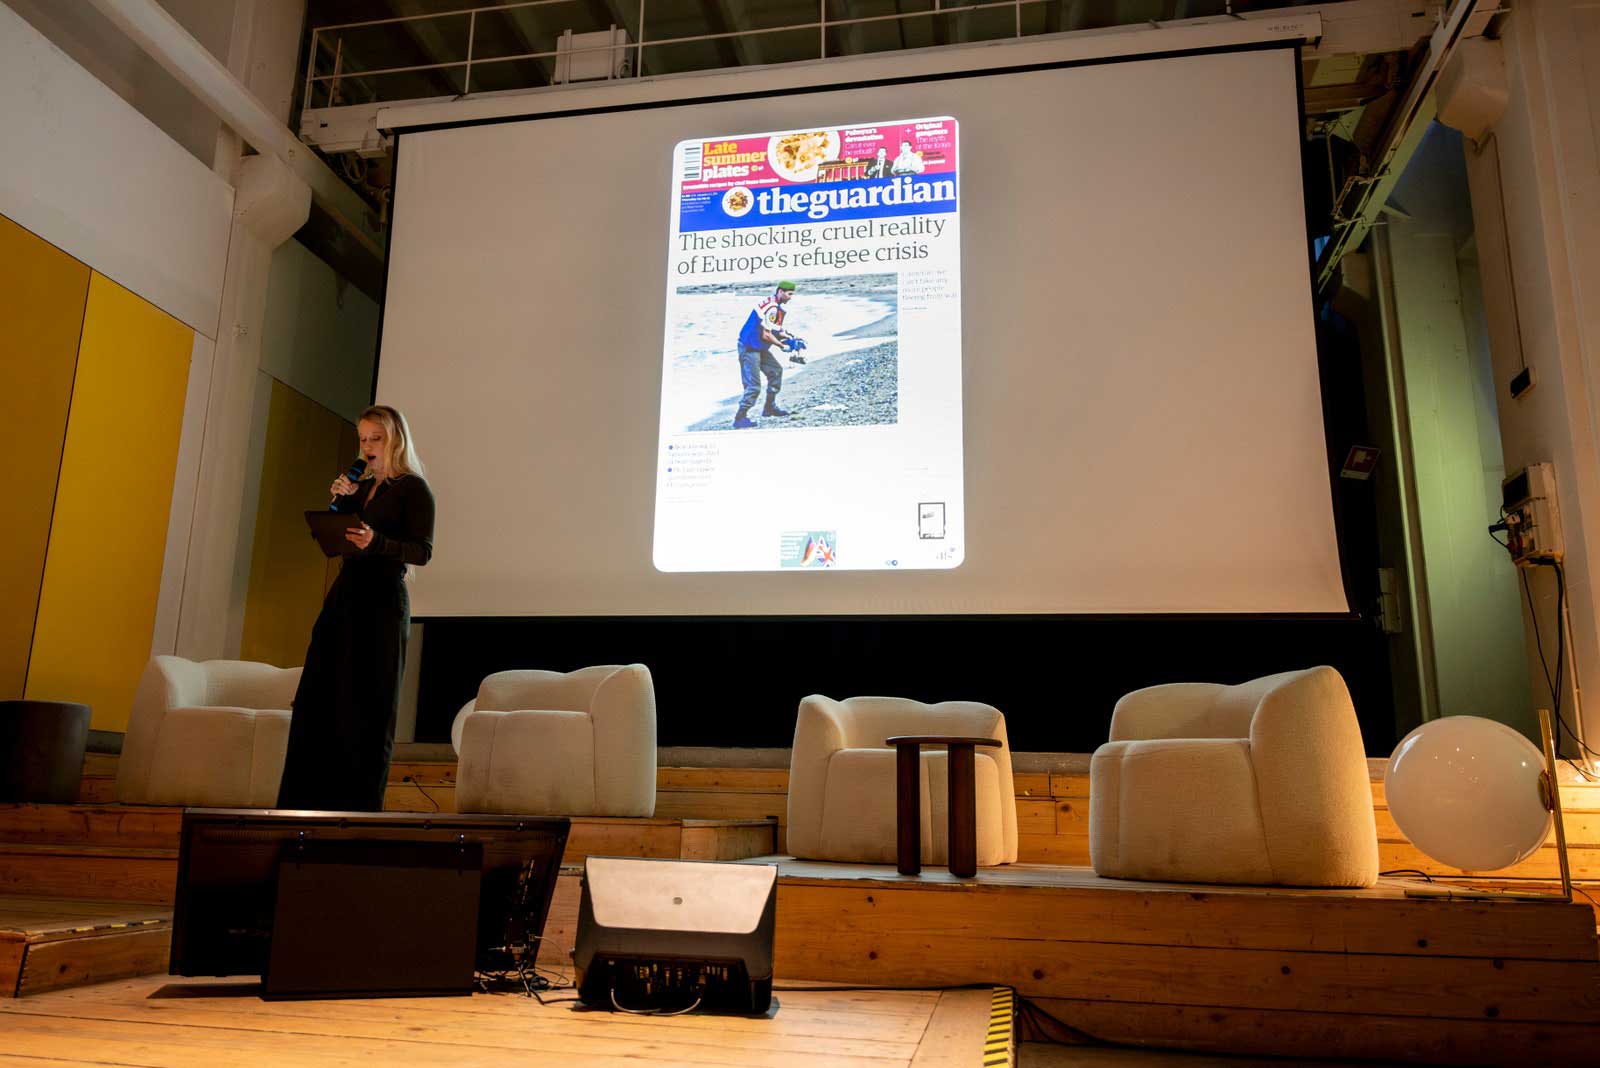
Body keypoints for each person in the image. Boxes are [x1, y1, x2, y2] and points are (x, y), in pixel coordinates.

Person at [277, 405, 435, 811]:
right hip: (345, 598)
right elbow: (340, 541)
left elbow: (421, 551)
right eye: (362, 439)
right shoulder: (362, 489)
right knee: (321, 697)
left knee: (368, 704)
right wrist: (340, 506)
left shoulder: (414, 489)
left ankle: (358, 808)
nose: (367, 447)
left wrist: (376, 542)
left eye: (375, 439)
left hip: (381, 604)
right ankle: (306, 803)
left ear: (395, 440)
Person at [733, 281, 806, 429]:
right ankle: (740, 418)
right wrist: (782, 346)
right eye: (789, 294)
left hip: (758, 346)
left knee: (776, 371)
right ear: (780, 291)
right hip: (749, 348)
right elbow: (766, 335)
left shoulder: (774, 305)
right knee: (753, 386)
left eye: (792, 294)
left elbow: (775, 329)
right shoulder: (772, 308)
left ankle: (769, 408)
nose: (790, 297)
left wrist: (791, 339)